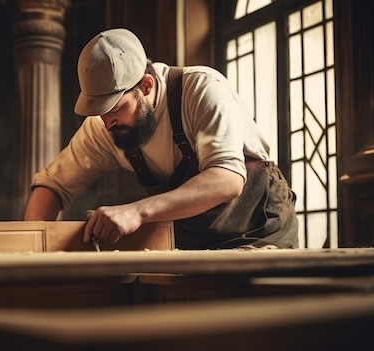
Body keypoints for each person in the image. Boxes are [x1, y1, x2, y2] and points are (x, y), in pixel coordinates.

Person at [24, 28, 298, 250]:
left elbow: (227, 179)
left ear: (146, 85)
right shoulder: (103, 125)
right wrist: (30, 249)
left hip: (259, 225)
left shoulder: (202, 88)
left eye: (116, 108)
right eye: (100, 112)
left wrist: (137, 212)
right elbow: (52, 186)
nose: (107, 122)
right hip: (195, 239)